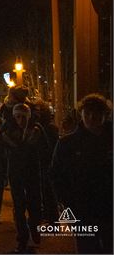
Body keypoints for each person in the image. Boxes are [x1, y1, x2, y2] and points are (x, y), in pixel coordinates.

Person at [50, 94, 113, 254]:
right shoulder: (67, 144)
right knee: (87, 248)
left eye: (98, 112)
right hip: (82, 210)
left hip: (110, 209)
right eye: (88, 112)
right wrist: (66, 201)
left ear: (105, 114)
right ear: (81, 114)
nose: (92, 117)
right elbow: (56, 174)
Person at [1, 103, 45, 253]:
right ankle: (22, 239)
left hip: (32, 172)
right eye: (17, 116)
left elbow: (46, 150)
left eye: (23, 116)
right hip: (16, 173)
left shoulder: (36, 129)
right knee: (19, 208)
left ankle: (34, 227)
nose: (20, 120)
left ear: (28, 116)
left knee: (35, 205)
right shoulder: (8, 130)